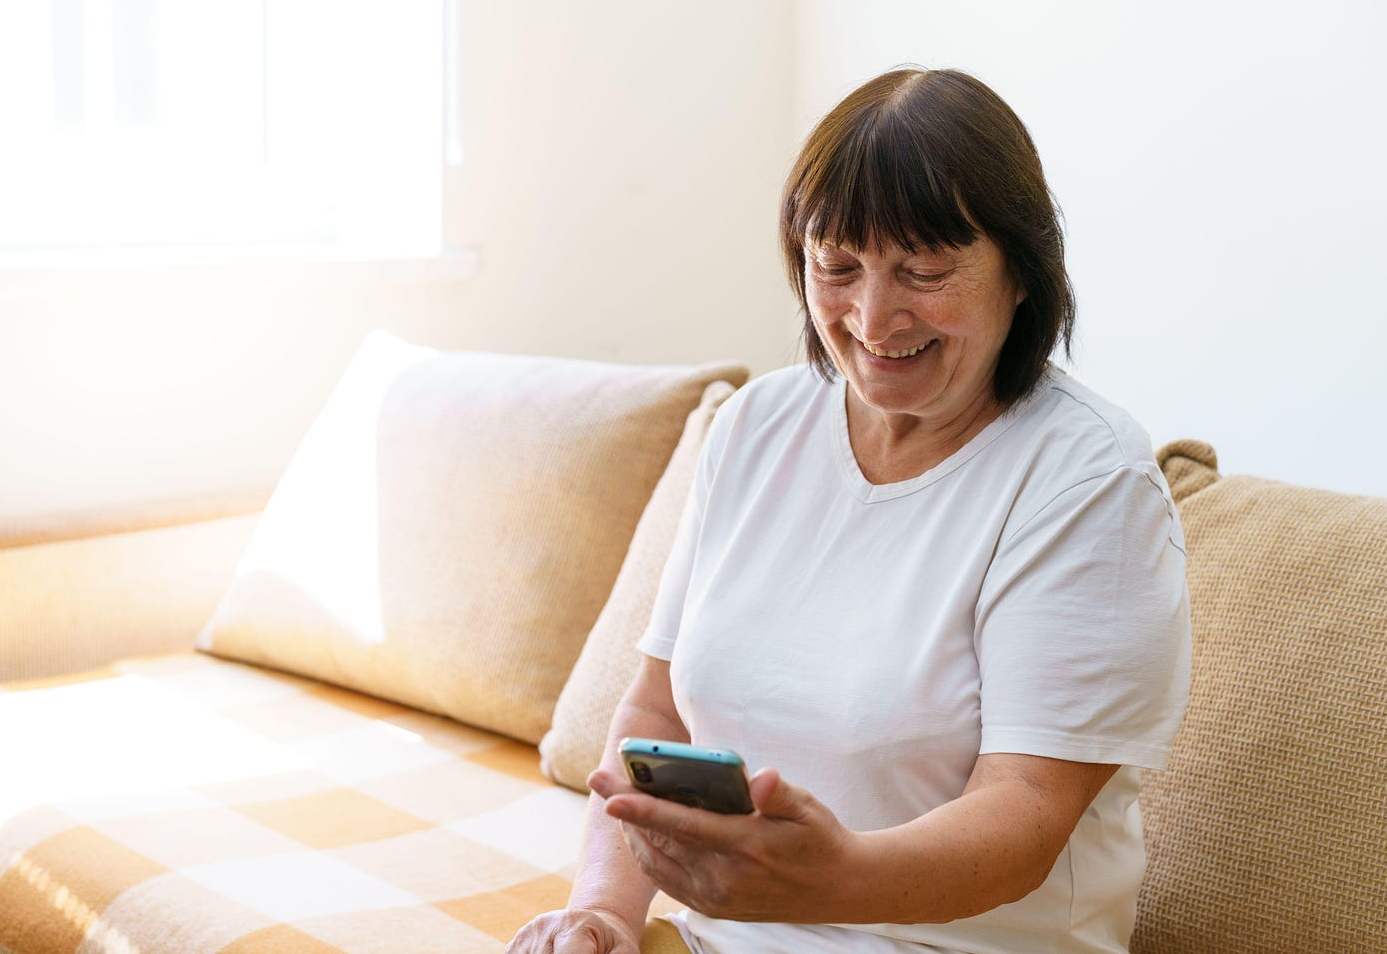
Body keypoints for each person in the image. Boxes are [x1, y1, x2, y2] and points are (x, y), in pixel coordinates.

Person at [510, 66, 1191, 954]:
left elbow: (1025, 812)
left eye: (923, 269)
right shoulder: (757, 424)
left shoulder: (1089, 481)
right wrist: (604, 910)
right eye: (836, 266)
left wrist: (830, 877)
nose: (873, 316)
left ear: (1022, 272)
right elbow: (659, 711)